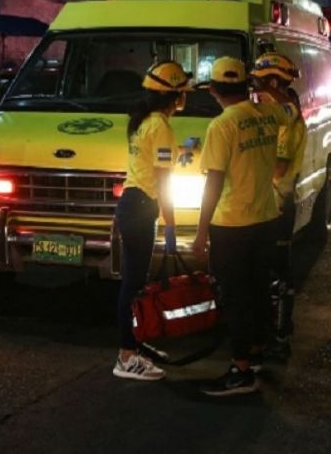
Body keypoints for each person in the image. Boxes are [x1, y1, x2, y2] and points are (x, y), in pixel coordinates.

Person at [192, 56, 297, 396]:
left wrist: (201, 231)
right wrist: (269, 86)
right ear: (246, 85)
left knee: (236, 297)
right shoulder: (268, 113)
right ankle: (255, 354)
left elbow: (213, 182)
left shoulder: (222, 125)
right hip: (265, 219)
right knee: (258, 291)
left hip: (232, 223)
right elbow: (290, 108)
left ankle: (240, 370)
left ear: (213, 90)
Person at [112, 61, 191, 381]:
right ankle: (126, 356)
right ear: (175, 96)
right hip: (141, 207)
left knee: (136, 281)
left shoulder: (144, 121)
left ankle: (135, 344)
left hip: (132, 204)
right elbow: (162, 179)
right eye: (183, 91)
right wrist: (171, 223)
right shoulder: (160, 126)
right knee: (133, 283)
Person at [250, 53, 305, 362]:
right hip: (276, 204)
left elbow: (278, 168)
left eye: (259, 85)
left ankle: (278, 336)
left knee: (277, 275)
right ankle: (278, 331)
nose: (256, 93)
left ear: (273, 83)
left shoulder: (285, 122)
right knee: (275, 271)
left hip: (277, 206)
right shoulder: (286, 112)